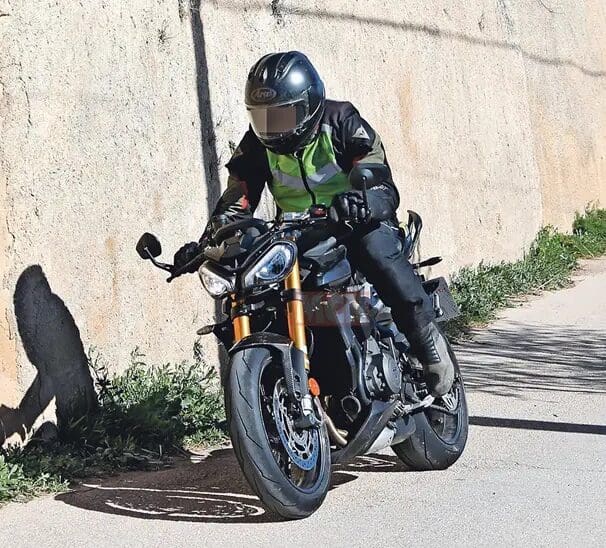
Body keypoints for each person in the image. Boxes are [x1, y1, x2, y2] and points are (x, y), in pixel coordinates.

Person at [174, 51, 454, 397]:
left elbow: (380, 179)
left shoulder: (342, 120)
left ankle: (427, 344)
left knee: (377, 252)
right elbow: (237, 200)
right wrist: (211, 239)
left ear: (308, 105)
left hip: (355, 222)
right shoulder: (256, 146)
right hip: (298, 235)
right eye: (263, 118)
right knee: (251, 280)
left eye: (282, 116)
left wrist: (363, 200)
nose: (272, 127)